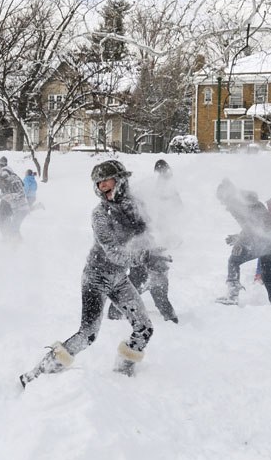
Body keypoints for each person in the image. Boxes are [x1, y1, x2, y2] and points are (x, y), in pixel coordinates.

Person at [19, 160, 169, 388]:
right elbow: (115, 253)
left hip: (119, 279)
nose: (102, 187)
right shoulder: (100, 215)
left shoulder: (135, 206)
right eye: (98, 184)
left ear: (120, 180)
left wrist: (157, 251)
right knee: (88, 334)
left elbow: (146, 236)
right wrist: (145, 257)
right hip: (96, 278)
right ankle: (38, 374)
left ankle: (123, 372)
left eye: (106, 181)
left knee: (144, 328)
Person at [216, 178, 271, 307]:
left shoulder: (238, 205)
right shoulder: (249, 201)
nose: (223, 204)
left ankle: (233, 295)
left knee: (233, 261)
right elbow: (256, 226)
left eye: (223, 200)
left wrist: (239, 241)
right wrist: (238, 237)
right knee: (267, 276)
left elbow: (253, 227)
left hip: (263, 243)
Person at [0, 156, 30, 241]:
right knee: (12, 228)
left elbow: (21, 193)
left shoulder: (13, 179)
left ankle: (16, 246)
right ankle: (12, 243)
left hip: (21, 208)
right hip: (17, 208)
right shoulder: (8, 179)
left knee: (13, 229)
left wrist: (10, 196)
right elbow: (8, 192)